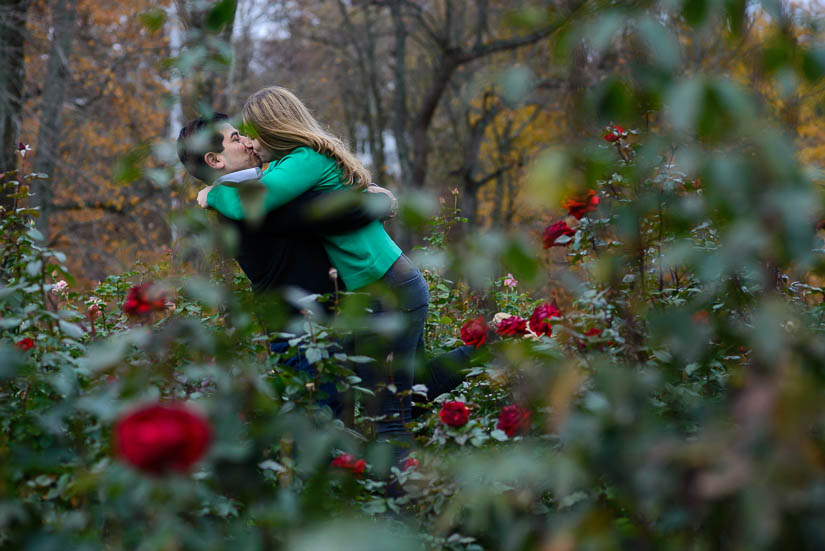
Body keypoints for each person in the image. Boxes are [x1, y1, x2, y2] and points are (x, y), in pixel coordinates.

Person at [198, 87, 429, 454]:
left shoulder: (303, 160)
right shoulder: (291, 165)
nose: (251, 145)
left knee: (389, 417)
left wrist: (210, 195)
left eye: (252, 134)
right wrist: (381, 200)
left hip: (388, 288)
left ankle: (404, 505)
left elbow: (259, 202)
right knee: (407, 397)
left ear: (275, 129)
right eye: (241, 137)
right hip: (379, 290)